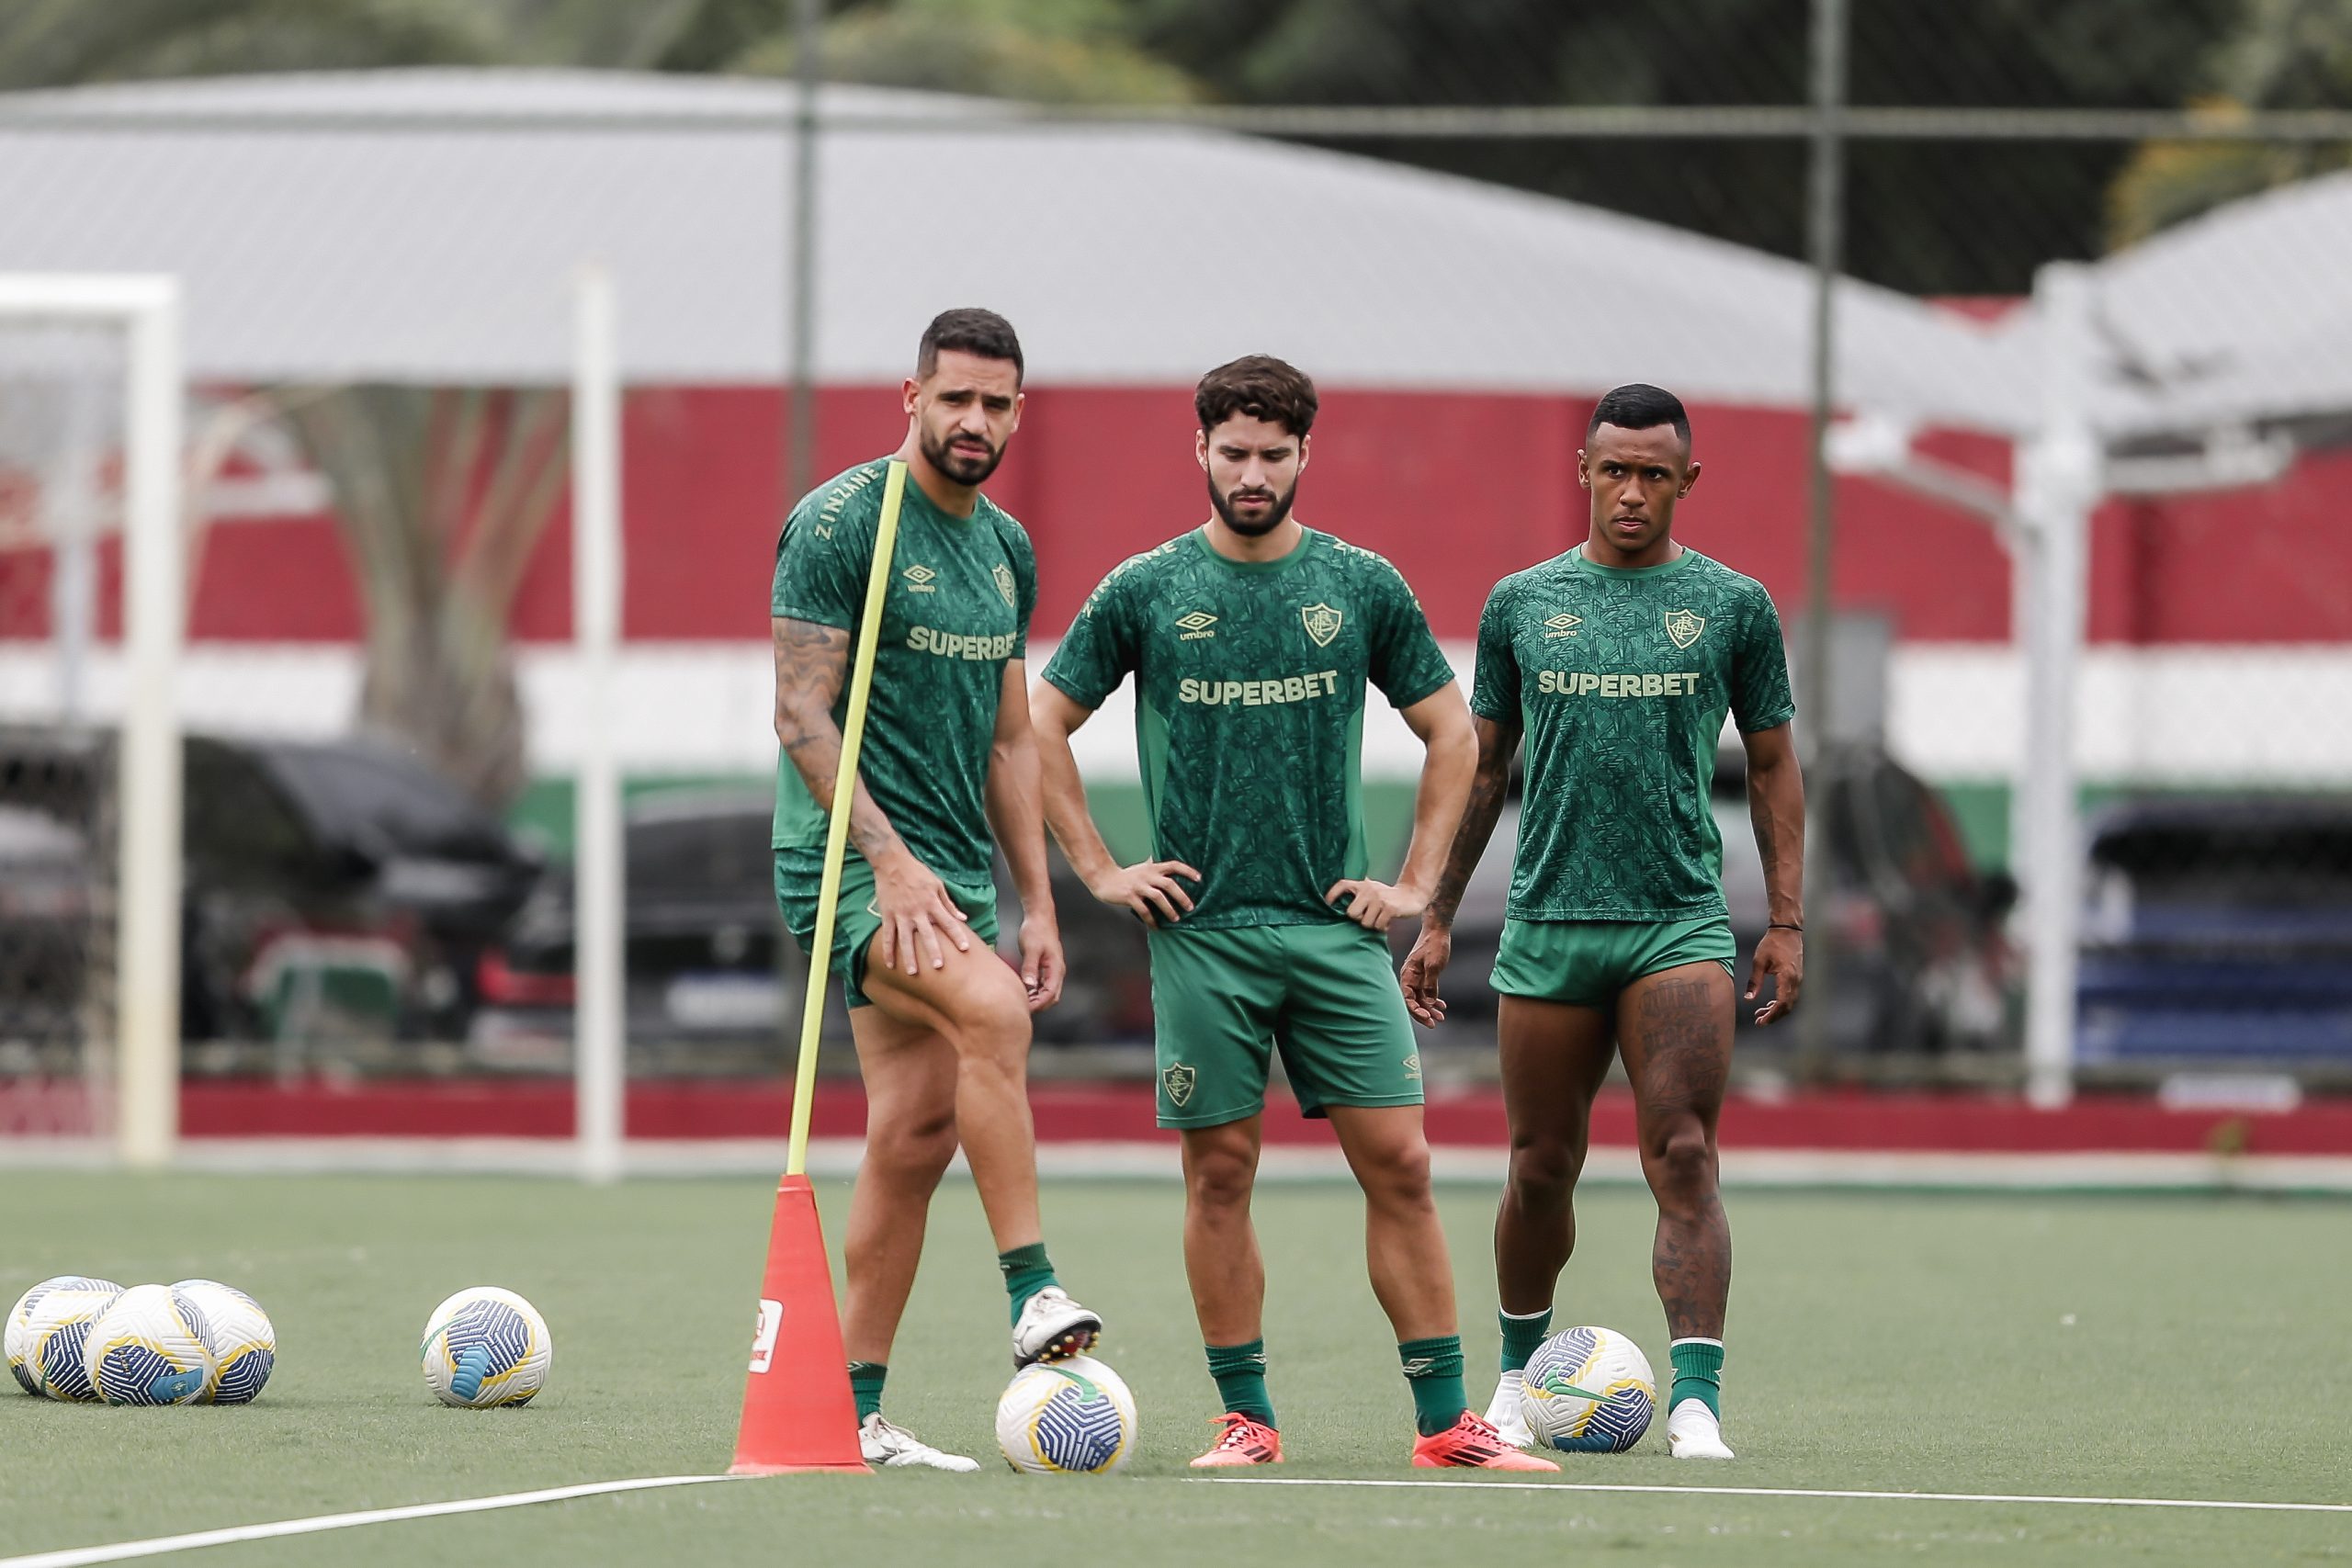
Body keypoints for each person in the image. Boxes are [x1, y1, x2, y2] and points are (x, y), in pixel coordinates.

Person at [1033, 355, 1555, 1473]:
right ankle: (1247, 1420)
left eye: (1275, 454)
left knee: (1402, 1166)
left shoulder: (1361, 585)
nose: (1254, 473)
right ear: (1201, 453)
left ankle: (1446, 1425)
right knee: (1219, 1174)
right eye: (1234, 453)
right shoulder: (1146, 588)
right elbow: (1038, 726)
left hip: (1333, 934)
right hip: (1202, 936)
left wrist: (1413, 884)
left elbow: (1454, 736)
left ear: (1305, 454)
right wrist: (1099, 870)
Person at [1399, 383, 1806, 1461]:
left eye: (1653, 474)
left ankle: (1695, 1403)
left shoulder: (1732, 606)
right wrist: (1436, 915)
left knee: (1682, 1153)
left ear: (1687, 481)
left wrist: (1788, 919)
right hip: (1548, 924)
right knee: (1540, 1162)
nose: (1631, 492)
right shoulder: (1521, 602)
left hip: (1676, 923)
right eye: (1613, 470)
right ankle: (1516, 1378)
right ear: (1582, 471)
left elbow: (1771, 766)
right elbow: (1483, 767)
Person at [770, 307, 1100, 1472]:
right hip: (849, 866)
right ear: (910, 398)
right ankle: (1034, 1291)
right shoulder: (842, 522)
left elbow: (1015, 743)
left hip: (952, 874)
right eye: (953, 398)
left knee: (912, 1134)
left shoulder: (1006, 547)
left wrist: (1040, 900)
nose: (974, 421)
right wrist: (890, 861)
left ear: (1018, 410)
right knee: (993, 1013)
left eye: (995, 403)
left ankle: (849, 1413)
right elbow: (799, 714)